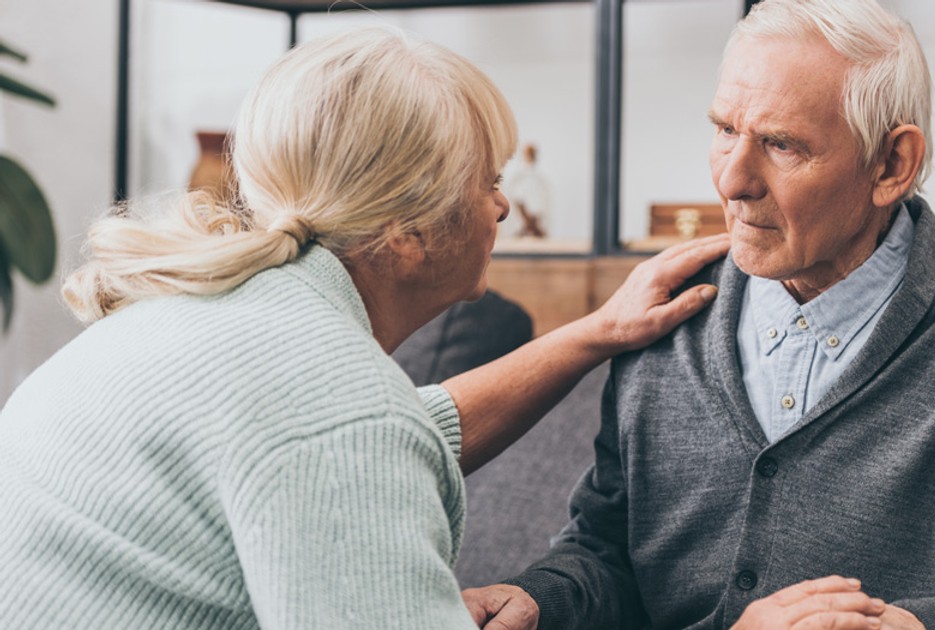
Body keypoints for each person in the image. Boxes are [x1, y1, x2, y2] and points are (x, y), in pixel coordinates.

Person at [0, 28, 730, 629]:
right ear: (406, 234)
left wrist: (595, 332)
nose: (503, 208)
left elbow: (404, 429)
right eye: (487, 182)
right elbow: (352, 434)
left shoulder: (202, 316)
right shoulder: (338, 411)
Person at [464, 1, 935, 628]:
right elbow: (606, 549)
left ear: (892, 164)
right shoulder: (662, 313)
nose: (732, 181)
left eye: (782, 145)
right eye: (725, 130)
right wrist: (540, 597)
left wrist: (912, 625)